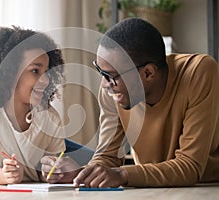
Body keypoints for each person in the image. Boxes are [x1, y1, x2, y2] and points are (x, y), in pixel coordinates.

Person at [41, 17, 219, 187]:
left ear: (148, 73)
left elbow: (190, 166)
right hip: (149, 189)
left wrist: (123, 174)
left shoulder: (198, 72)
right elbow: (107, 157)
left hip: (204, 188)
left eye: (110, 76)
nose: (104, 85)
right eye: (100, 72)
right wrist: (84, 173)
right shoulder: (114, 89)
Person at [0, 26, 66, 185]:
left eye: (47, 72)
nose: (46, 80)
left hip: (33, 146)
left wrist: (50, 173)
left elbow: (46, 170)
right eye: (36, 71)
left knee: (92, 161)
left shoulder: (50, 116)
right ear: (9, 72)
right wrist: (5, 175)